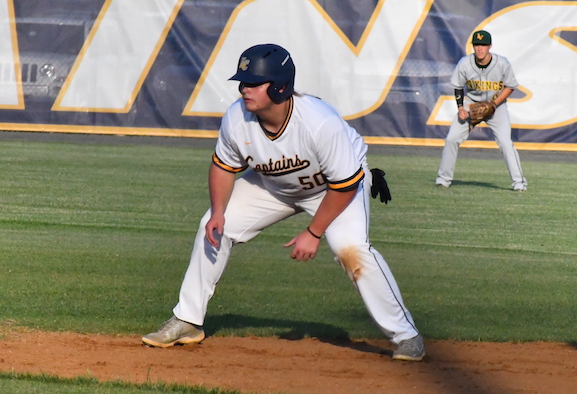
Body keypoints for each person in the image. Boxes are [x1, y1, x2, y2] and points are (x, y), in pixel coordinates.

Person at [142, 43, 425, 361]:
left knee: (352, 249)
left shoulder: (319, 122)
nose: (244, 89)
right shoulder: (237, 118)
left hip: (333, 190)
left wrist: (314, 232)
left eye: (252, 83)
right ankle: (187, 319)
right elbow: (223, 167)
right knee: (212, 225)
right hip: (274, 186)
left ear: (279, 87)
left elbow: (344, 185)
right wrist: (219, 212)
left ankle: (407, 336)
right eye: (242, 82)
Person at [436, 30, 527, 191]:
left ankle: (519, 183)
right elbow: (457, 87)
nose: (480, 49)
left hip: (496, 107)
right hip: (472, 105)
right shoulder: (465, 63)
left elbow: (510, 86)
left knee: (506, 143)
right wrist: (460, 108)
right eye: (477, 45)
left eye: (483, 45)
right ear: (473, 47)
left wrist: (493, 104)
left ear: (489, 46)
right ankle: (443, 179)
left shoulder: (502, 63)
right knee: (451, 139)